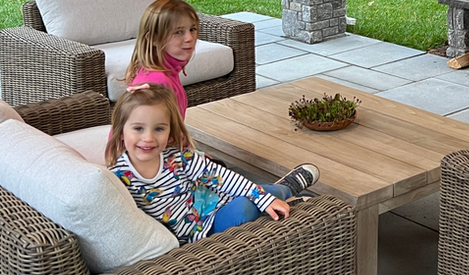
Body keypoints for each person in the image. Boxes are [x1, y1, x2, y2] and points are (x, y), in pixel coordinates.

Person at [106, 83, 320, 242]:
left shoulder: (180, 160)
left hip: (217, 209)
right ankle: (284, 192)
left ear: (170, 132)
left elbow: (225, 179)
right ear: (121, 132)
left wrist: (262, 198)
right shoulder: (117, 178)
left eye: (159, 128)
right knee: (245, 207)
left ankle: (284, 189)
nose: (149, 138)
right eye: (138, 128)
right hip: (195, 237)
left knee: (247, 199)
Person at [124, 0, 201, 119]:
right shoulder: (158, 82)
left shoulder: (168, 72)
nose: (189, 38)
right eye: (178, 32)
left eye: (192, 29)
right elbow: (149, 135)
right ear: (154, 39)